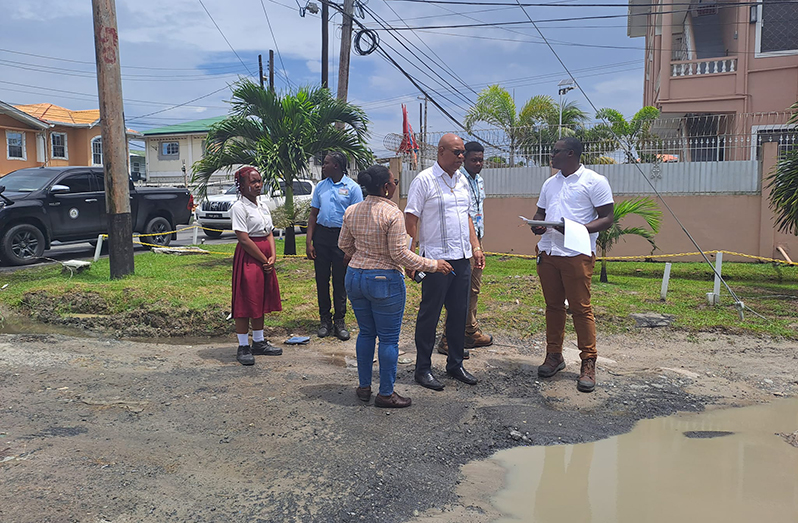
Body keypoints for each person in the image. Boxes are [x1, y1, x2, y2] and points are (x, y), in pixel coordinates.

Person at [339, 165, 453, 408]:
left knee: (366, 333)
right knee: (389, 340)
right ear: (386, 187)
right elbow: (400, 254)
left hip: (355, 277)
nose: (395, 185)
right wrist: (434, 265)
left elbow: (344, 245)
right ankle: (386, 393)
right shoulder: (392, 215)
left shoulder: (352, 210)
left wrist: (361, 257)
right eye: (395, 181)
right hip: (383, 280)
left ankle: (363, 386)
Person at [529, 137, 614, 392]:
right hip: (549, 251)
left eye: (555, 151)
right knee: (553, 307)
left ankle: (588, 362)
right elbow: (540, 213)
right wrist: (538, 224)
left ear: (571, 154)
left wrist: (577, 229)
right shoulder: (549, 183)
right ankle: (554, 355)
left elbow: (607, 218)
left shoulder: (594, 181)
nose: (550, 155)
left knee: (580, 308)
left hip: (576, 253)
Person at [405, 133, 486, 391]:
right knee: (430, 313)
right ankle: (423, 368)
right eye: (457, 152)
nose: (462, 157)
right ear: (441, 152)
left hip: (461, 258)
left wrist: (476, 247)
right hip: (435, 260)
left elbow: (469, 217)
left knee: (459, 312)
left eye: (463, 152)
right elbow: (411, 218)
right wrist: (411, 256)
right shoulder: (424, 181)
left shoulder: (463, 181)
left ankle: (455, 364)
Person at [437, 141, 493, 358]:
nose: (478, 163)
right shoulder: (457, 181)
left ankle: (469, 330)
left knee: (474, 289)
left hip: (476, 240)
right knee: (459, 291)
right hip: (460, 244)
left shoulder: (478, 181)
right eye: (473, 160)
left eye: (480, 160)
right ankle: (447, 338)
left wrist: (477, 244)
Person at [306, 152, 363, 341]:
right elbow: (313, 215)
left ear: (336, 166)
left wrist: (352, 247)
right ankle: (325, 320)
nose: (323, 166)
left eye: (326, 163)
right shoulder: (321, 187)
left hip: (342, 238)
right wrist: (309, 242)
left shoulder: (353, 188)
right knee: (322, 280)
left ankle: (340, 320)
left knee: (340, 281)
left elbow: (356, 220)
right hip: (322, 236)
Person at [230, 166, 283, 366]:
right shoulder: (239, 208)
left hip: (265, 257)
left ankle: (259, 341)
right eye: (252, 182)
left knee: (260, 299)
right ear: (242, 185)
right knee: (245, 300)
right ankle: (243, 345)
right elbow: (243, 239)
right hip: (250, 257)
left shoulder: (263, 206)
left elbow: (269, 232)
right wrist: (263, 259)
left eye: (259, 181)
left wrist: (273, 256)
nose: (257, 185)